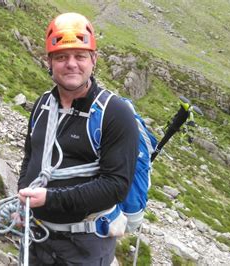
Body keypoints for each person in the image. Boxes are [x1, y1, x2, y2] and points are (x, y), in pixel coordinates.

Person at [17, 12, 140, 265]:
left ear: (93, 60)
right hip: (37, 238)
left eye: (80, 56)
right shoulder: (42, 105)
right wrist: (23, 199)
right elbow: (31, 158)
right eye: (61, 57)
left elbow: (115, 186)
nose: (71, 64)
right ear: (49, 62)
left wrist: (50, 199)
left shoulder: (114, 113)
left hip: (84, 247)